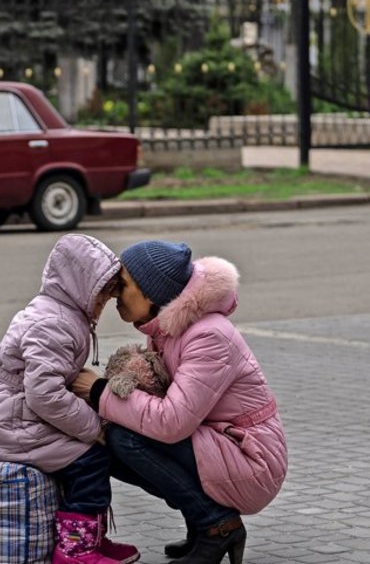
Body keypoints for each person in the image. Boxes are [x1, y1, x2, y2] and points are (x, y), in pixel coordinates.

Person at [74, 240, 287, 564]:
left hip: (252, 457)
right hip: (221, 443)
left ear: (151, 292)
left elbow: (172, 422)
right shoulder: (167, 329)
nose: (115, 292)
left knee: (126, 439)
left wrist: (99, 391)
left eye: (124, 284)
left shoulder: (208, 335)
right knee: (108, 445)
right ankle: (201, 520)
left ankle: (217, 526)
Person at [0, 234, 139, 564]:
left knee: (87, 457)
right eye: (100, 293)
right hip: (9, 422)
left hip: (12, 414)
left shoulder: (60, 312)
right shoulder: (55, 323)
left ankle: (91, 538)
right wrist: (94, 427)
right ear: (79, 286)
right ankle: (76, 550)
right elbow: (44, 394)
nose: (104, 302)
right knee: (90, 459)